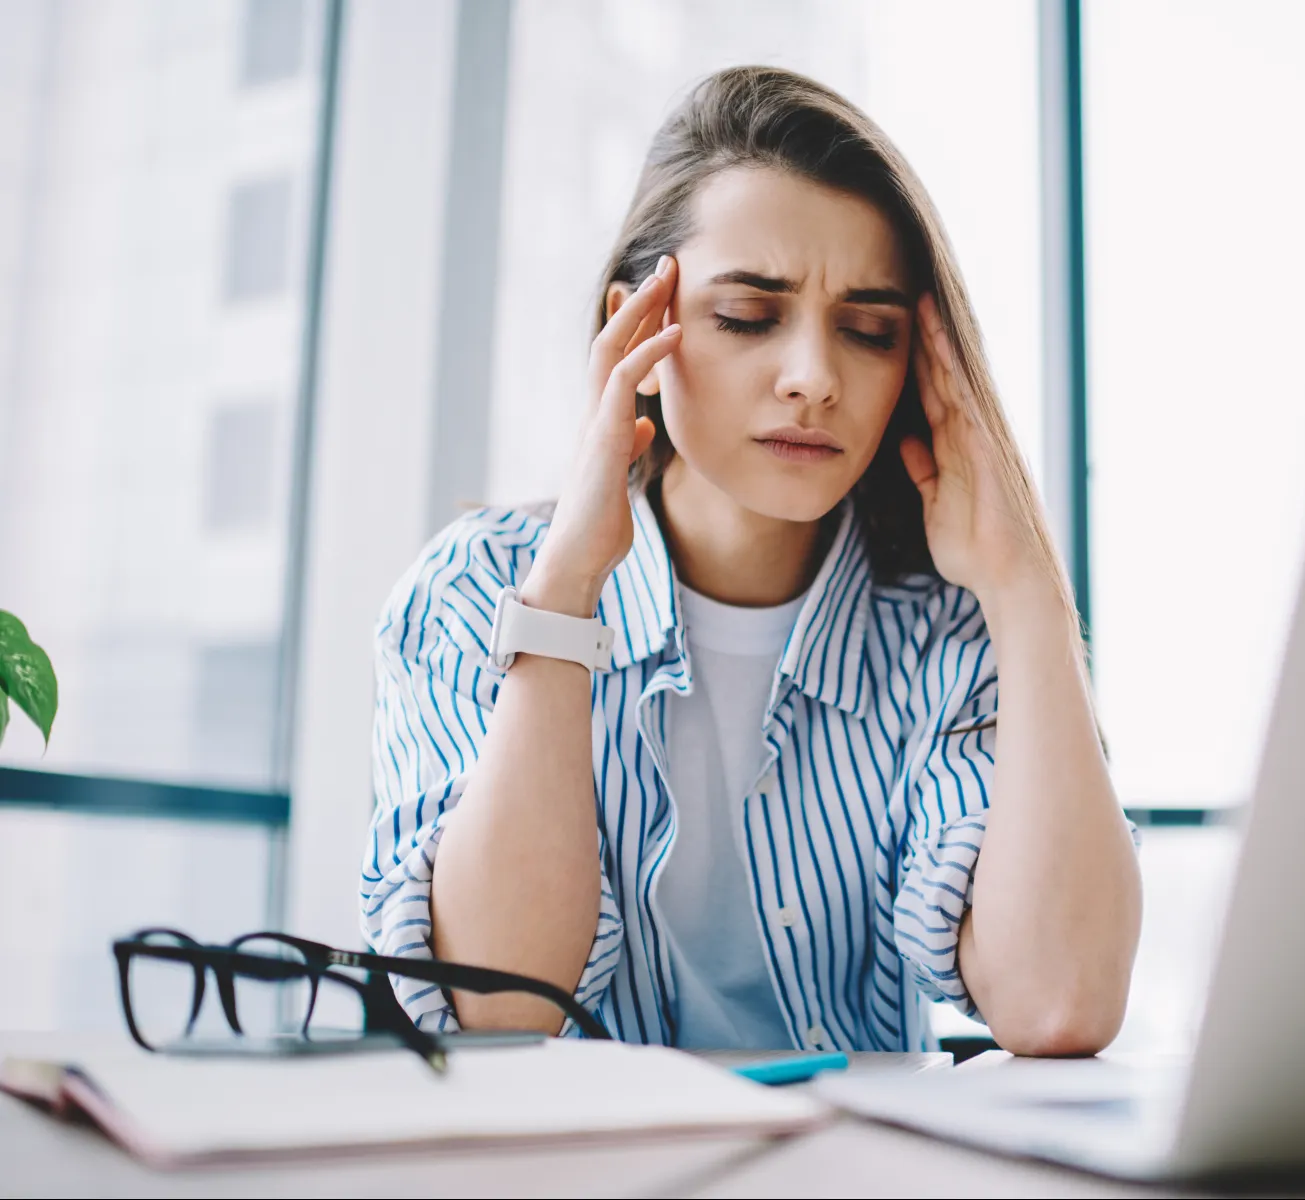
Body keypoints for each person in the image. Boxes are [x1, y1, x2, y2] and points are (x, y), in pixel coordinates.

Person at [360, 66, 1141, 1056]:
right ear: (638, 332)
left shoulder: (948, 625)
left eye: (868, 331)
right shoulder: (476, 590)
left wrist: (1028, 596)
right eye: (747, 316)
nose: (814, 379)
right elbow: (496, 1009)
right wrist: (565, 593)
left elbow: (1059, 1004)